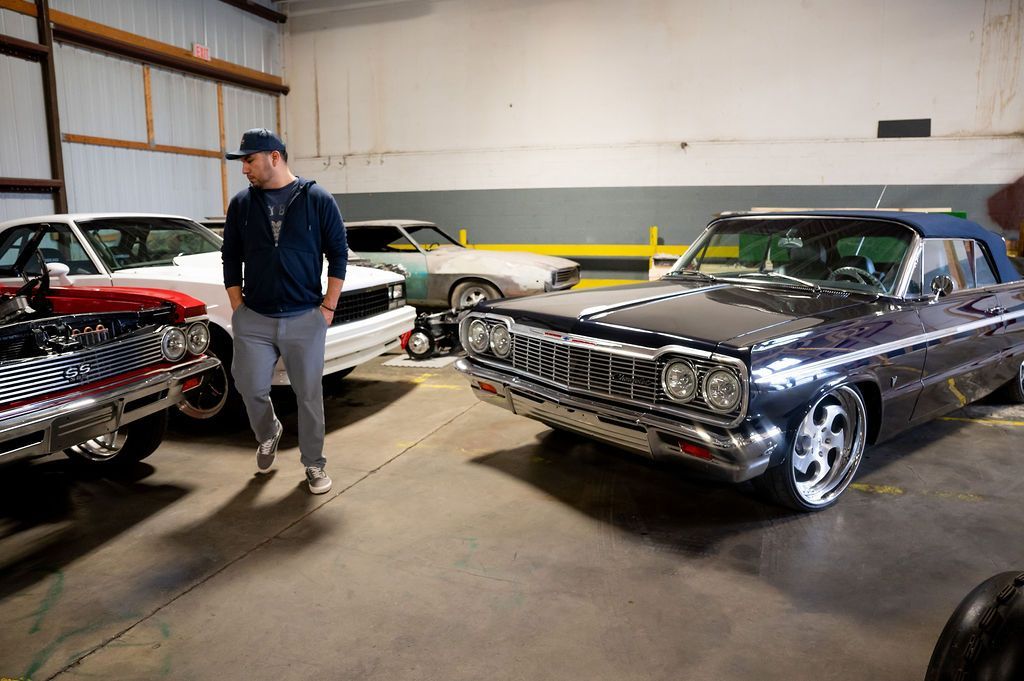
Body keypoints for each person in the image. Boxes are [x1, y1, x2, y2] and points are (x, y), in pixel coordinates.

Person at [221, 128, 347, 494]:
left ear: (274, 157)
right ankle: (269, 431)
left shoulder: (317, 198)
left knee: (308, 395)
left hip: (305, 316)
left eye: (249, 160)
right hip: (254, 317)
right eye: (243, 161)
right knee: (249, 386)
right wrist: (237, 306)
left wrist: (328, 307)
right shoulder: (242, 204)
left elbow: (338, 253)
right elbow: (231, 256)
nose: (244, 169)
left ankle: (314, 464)